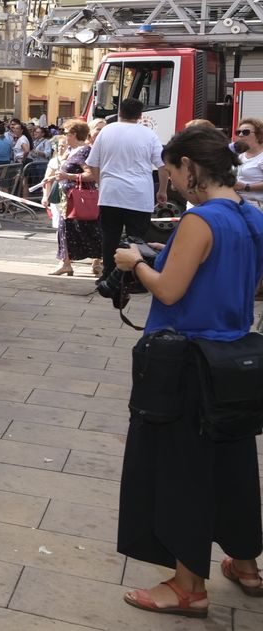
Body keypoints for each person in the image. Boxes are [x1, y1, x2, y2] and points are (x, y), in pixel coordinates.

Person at [114, 126, 263, 619]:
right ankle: (246, 566)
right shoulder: (251, 214)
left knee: (183, 472)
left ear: (190, 167)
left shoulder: (201, 219)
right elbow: (253, 285)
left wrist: (135, 262)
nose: (173, 182)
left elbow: (169, 290)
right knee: (233, 467)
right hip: (235, 359)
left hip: (187, 361)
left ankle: (187, 586)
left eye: (173, 172)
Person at [87, 97, 167, 269]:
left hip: (111, 194)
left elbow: (92, 163)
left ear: (120, 112)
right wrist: (162, 190)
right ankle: (134, 274)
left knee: (110, 238)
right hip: (139, 196)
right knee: (136, 240)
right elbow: (162, 165)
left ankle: (108, 274)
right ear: (140, 115)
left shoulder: (106, 131)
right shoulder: (149, 134)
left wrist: (101, 183)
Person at [48, 120, 99, 276]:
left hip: (79, 199)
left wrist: (68, 176)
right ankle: (66, 263)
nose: (64, 136)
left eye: (66, 133)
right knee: (65, 229)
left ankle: (98, 261)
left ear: (74, 134)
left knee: (87, 230)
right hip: (68, 198)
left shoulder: (84, 151)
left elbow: (91, 175)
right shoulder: (71, 150)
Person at [232, 118, 263, 211]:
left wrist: (246, 187)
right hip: (237, 204)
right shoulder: (239, 155)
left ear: (259, 135)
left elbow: (243, 185)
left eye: (246, 132)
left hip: (257, 207)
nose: (241, 135)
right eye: (238, 132)